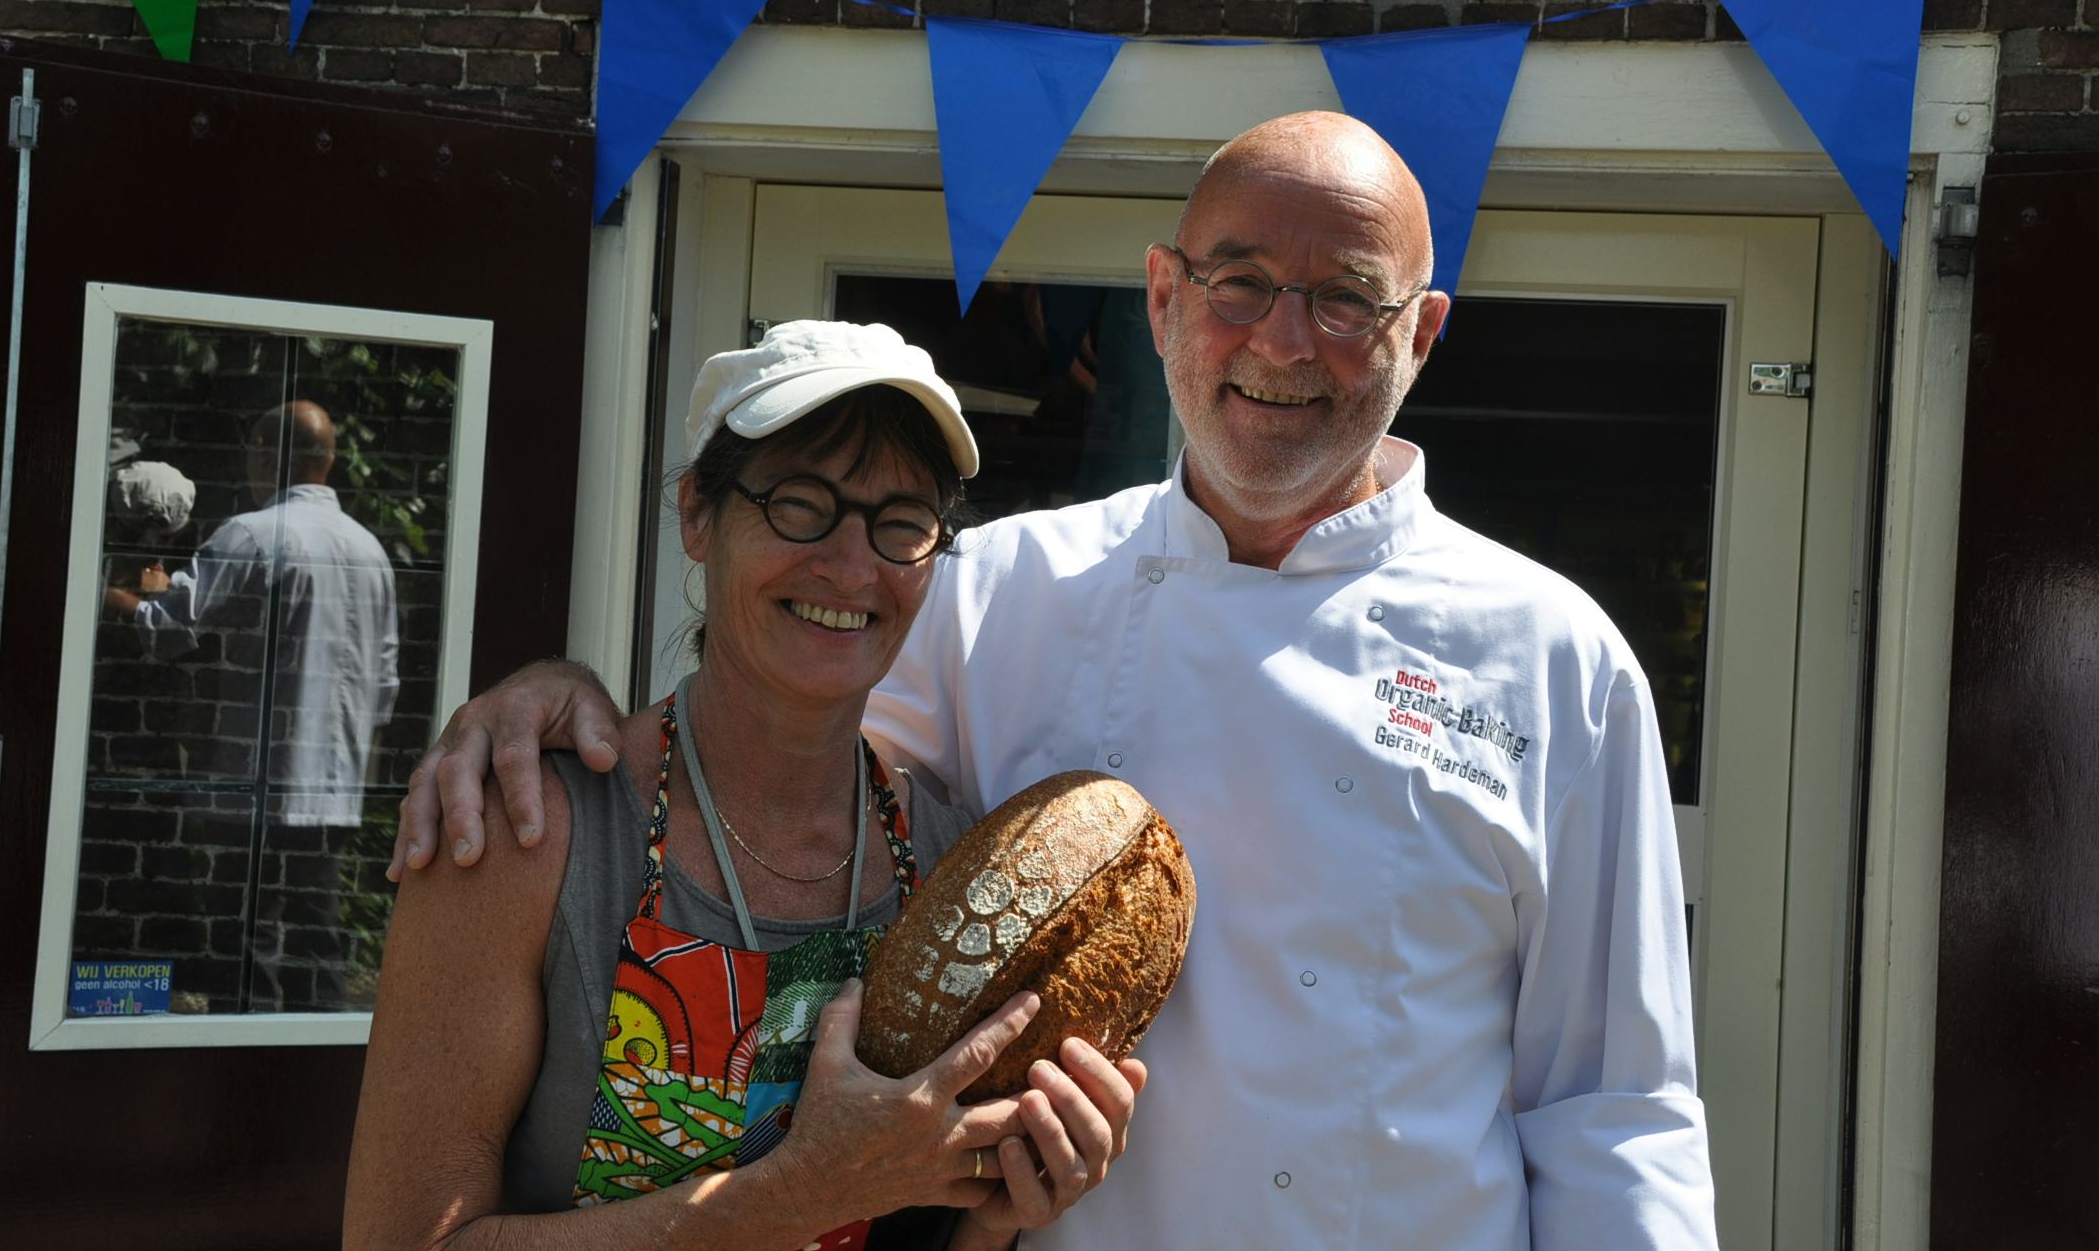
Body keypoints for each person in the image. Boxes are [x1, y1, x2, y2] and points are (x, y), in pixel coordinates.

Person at [394, 113, 1718, 1247]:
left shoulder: (1554, 657)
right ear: (1161, 300)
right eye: (1240, 282)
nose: (1283, 340)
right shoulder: (998, 590)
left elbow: (1614, 1104)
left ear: (1420, 332)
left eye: (1347, 299)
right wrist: (558, 702)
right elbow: (761, 752)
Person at [344, 322, 1143, 1250]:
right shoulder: (528, 831)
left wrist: (994, 1220)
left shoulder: (951, 866)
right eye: (801, 505)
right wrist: (793, 1196)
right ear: (696, 514)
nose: (851, 566)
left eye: (901, 522)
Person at [105, 399, 399, 1010]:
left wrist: (113, 592)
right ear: (331, 459)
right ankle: (316, 1083)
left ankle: (238, 1080)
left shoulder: (252, 535)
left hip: (256, 788)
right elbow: (387, 687)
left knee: (245, 947)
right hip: (335, 791)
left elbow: (165, 630)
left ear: (264, 455)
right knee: (319, 944)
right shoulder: (373, 553)